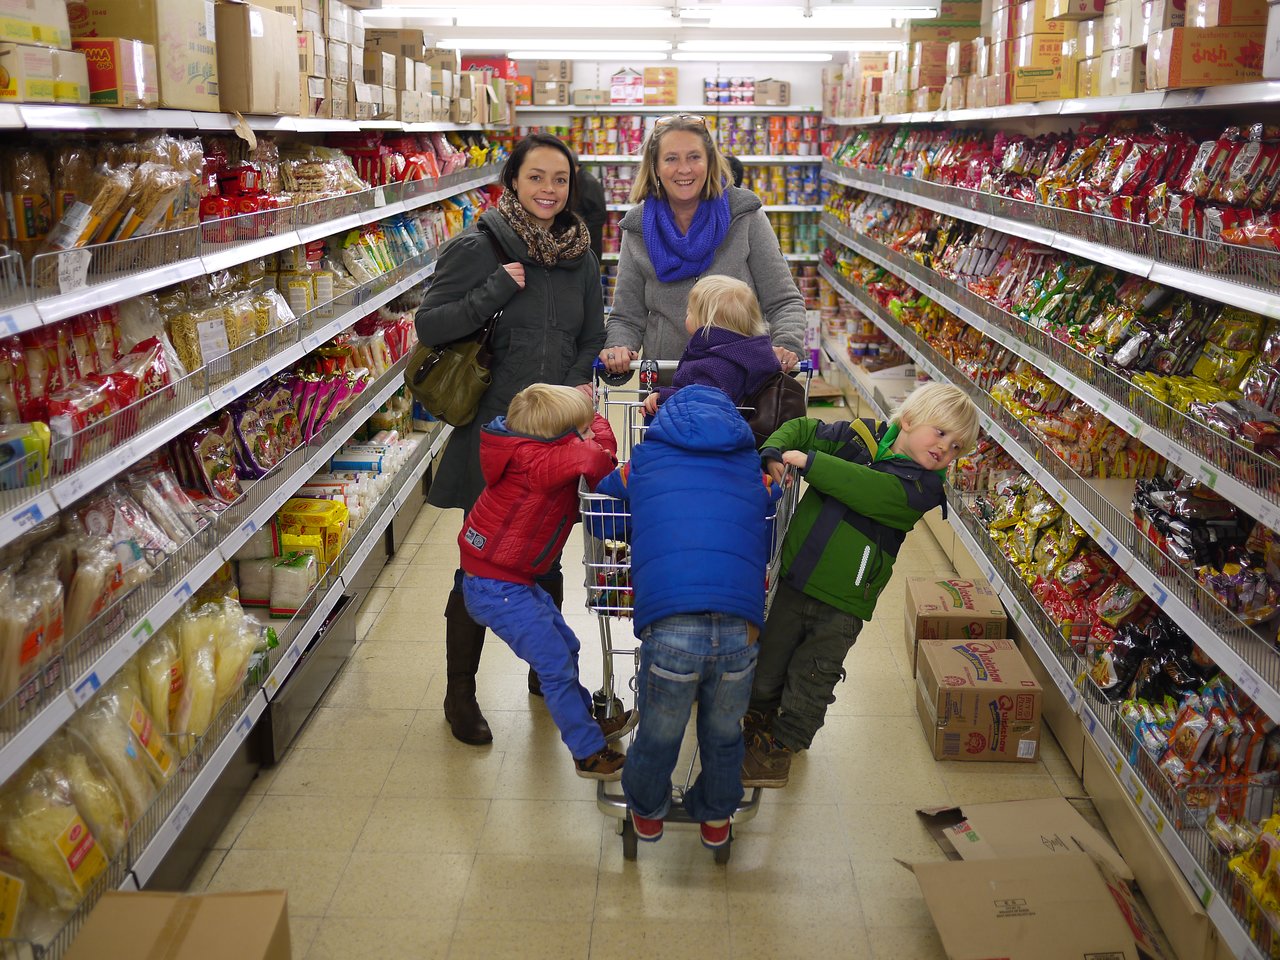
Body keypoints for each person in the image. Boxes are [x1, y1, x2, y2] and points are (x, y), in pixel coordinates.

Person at [415, 133, 603, 746]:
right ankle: (459, 693)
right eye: (536, 177)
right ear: (512, 181)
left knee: (545, 555)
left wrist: (575, 393)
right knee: (485, 565)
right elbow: (431, 324)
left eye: (560, 179)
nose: (550, 190)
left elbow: (591, 338)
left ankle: (543, 671)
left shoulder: (582, 256)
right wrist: (495, 288)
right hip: (494, 440)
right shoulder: (479, 245)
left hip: (553, 440)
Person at [741, 383, 980, 788]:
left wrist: (813, 464)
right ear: (908, 419)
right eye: (940, 433)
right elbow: (802, 428)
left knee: (814, 675)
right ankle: (756, 719)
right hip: (796, 577)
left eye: (957, 447)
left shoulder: (923, 489)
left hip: (845, 601)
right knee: (768, 663)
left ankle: (784, 744)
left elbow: (869, 490)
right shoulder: (861, 438)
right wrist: (773, 452)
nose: (946, 449)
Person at [595, 385, 778, 846]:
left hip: (672, 625)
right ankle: (716, 817)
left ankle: (648, 810)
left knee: (660, 729)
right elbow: (768, 505)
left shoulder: (644, 463)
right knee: (721, 731)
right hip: (740, 627)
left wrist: (640, 519)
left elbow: (600, 511)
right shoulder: (748, 467)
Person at [459, 384, 636, 779]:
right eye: (582, 430)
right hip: (496, 586)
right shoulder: (535, 464)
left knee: (567, 647)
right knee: (555, 664)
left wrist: (588, 414)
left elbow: (588, 444)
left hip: (509, 579)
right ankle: (587, 751)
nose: (590, 435)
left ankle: (587, 720)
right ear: (559, 439)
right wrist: (596, 439)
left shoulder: (539, 448)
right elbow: (597, 461)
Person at [598, 114, 805, 378]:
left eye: (694, 157)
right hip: (667, 385)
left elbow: (784, 300)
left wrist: (786, 344)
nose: (684, 169)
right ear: (655, 167)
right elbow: (627, 315)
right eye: (671, 158)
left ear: (710, 163)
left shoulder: (744, 215)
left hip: (744, 383)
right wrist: (619, 347)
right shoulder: (638, 228)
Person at [641, 275, 780, 419]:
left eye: (691, 311)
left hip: (704, 435)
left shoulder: (715, 365)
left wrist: (664, 397)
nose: (686, 313)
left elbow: (703, 401)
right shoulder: (740, 355)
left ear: (707, 321)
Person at [575, 159, 607, 260]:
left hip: (589, 244)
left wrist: (580, 233)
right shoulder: (576, 179)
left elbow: (599, 215)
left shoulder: (588, 182)